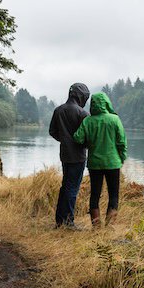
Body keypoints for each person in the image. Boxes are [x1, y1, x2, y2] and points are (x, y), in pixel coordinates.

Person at [72, 92, 127, 227]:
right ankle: (109, 228)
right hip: (113, 163)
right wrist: (122, 158)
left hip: (94, 164)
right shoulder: (114, 120)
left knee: (95, 194)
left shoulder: (88, 121)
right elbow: (121, 142)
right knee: (113, 194)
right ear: (107, 103)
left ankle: (96, 228)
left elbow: (77, 138)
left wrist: (90, 142)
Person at [49, 83, 91, 229]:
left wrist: (65, 140)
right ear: (82, 96)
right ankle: (68, 222)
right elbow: (88, 138)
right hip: (78, 156)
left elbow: (52, 132)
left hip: (65, 154)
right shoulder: (83, 114)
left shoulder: (58, 110)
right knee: (72, 188)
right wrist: (82, 145)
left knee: (65, 186)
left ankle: (60, 220)